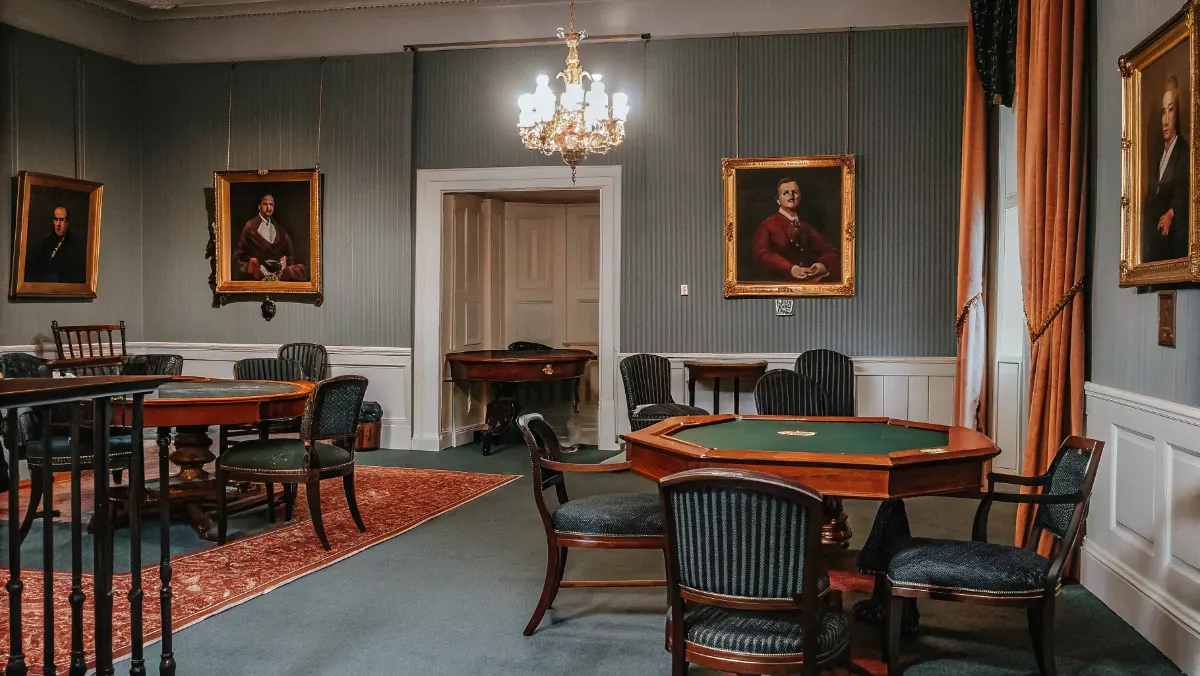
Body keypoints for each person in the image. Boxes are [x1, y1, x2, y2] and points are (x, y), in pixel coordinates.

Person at [751, 178, 840, 282]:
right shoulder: (768, 224)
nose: (791, 196)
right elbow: (761, 253)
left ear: (800, 197)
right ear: (778, 200)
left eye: (794, 192)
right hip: (778, 284)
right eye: (786, 193)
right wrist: (790, 268)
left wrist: (822, 265)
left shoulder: (805, 226)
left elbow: (830, 251)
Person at [1144, 74, 1190, 263]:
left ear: (1177, 114)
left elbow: (1185, 196)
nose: (1165, 120)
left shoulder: (1184, 152)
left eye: (1170, 111)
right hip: (1155, 248)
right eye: (1163, 112)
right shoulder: (1157, 156)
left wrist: (1171, 213)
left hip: (1174, 246)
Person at [232, 193, 307, 281]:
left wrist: (285, 261)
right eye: (265, 204)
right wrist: (249, 265)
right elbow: (238, 255)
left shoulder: (278, 228)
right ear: (259, 206)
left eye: (271, 204)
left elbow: (289, 250)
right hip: (258, 273)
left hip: (277, 272)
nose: (269, 208)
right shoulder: (250, 226)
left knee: (300, 269)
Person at [26, 206, 86, 284]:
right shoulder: (46, 243)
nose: (58, 224)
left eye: (61, 220)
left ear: (67, 223)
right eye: (56, 219)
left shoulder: (75, 247)